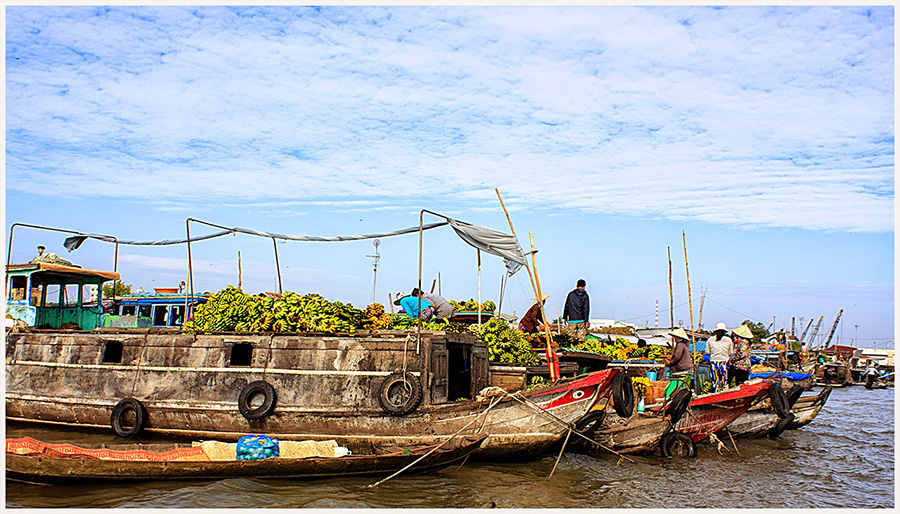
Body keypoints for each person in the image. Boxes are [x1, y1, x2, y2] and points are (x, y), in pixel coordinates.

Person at [705, 322, 733, 391]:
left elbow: (730, 352)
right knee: (716, 378)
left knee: (723, 378)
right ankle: (717, 391)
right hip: (715, 361)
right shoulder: (710, 340)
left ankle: (723, 391)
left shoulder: (728, 340)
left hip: (723, 361)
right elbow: (707, 352)